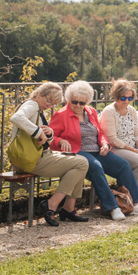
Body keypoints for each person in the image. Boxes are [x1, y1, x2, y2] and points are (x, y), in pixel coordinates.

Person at [48, 80, 138, 220]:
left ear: (87, 101)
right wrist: (61, 140)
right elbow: (50, 137)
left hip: (98, 150)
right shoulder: (61, 115)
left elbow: (100, 132)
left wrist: (104, 144)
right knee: (96, 167)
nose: (78, 105)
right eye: (75, 102)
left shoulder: (91, 112)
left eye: (82, 102)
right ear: (69, 100)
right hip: (77, 151)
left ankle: (134, 202)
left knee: (122, 165)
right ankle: (113, 207)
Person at [9, 82, 90, 226]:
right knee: (81, 163)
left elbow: (42, 137)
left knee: (80, 162)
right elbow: (16, 118)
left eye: (53, 104)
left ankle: (68, 209)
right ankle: (53, 205)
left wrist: (49, 133)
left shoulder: (37, 108)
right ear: (39, 94)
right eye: (48, 101)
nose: (49, 105)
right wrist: (38, 132)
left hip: (34, 157)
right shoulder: (32, 105)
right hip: (32, 160)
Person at [100, 79, 138, 211]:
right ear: (116, 96)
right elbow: (112, 139)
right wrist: (133, 150)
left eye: (130, 97)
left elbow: (137, 132)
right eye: (123, 97)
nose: (127, 101)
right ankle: (133, 199)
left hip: (133, 147)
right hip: (117, 148)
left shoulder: (131, 110)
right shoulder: (109, 111)